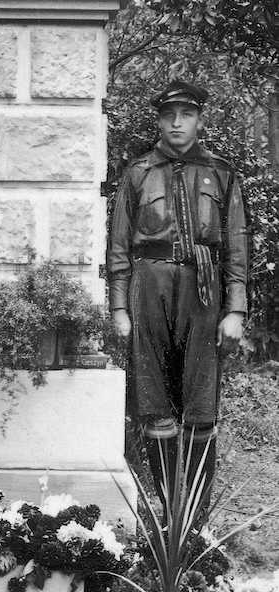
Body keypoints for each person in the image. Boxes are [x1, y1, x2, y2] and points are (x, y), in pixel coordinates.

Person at [106, 80, 247, 515]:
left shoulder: (221, 174)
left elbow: (237, 245)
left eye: (186, 115)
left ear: (200, 120)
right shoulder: (138, 174)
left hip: (202, 292)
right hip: (149, 288)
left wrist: (236, 309)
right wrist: (119, 307)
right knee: (155, 403)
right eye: (170, 115)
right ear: (160, 120)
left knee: (201, 404)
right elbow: (119, 246)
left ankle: (196, 519)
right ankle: (170, 512)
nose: (177, 123)